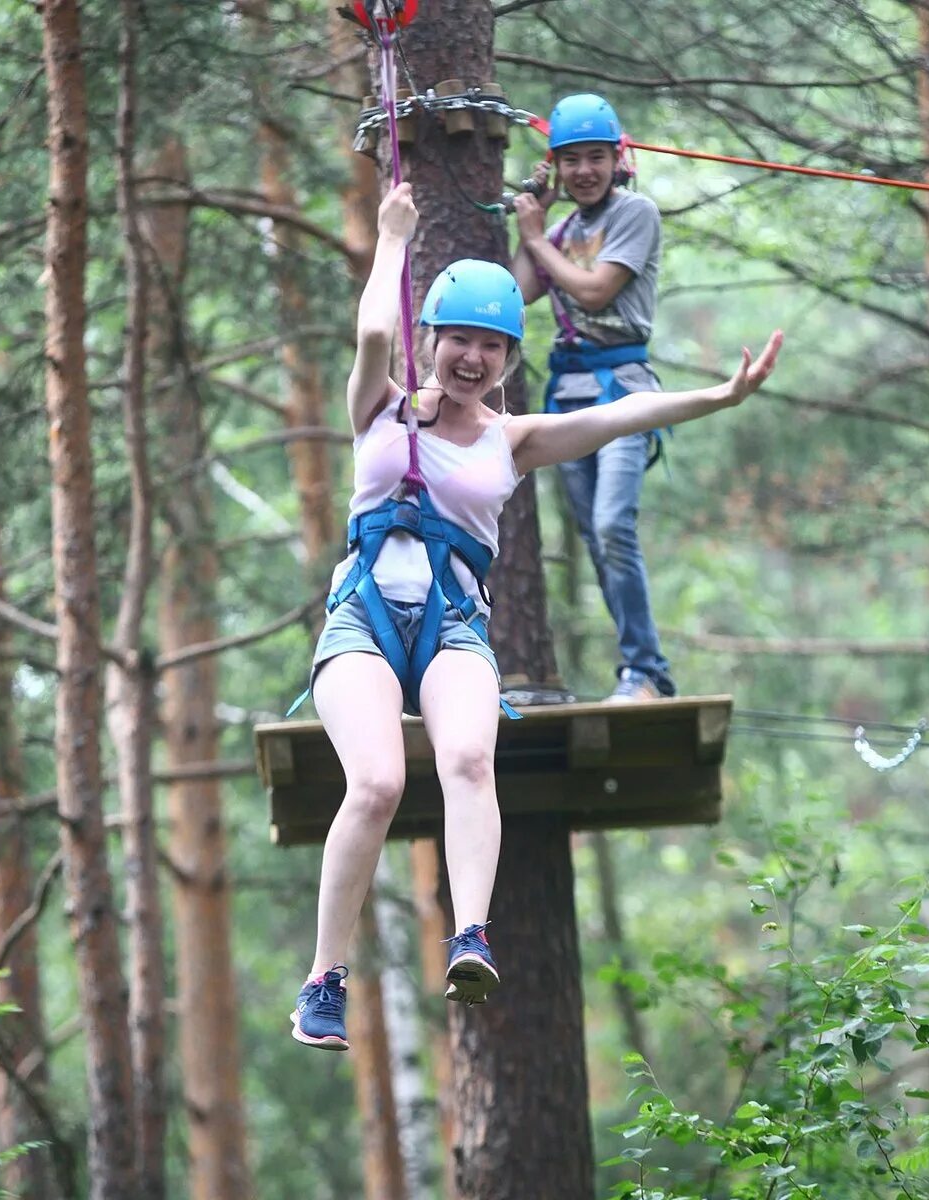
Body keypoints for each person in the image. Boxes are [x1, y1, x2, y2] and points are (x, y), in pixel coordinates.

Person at [290, 179, 781, 1050]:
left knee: (471, 759)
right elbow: (372, 331)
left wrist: (716, 397)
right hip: (362, 621)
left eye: (492, 346)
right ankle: (324, 982)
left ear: (511, 360)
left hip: (450, 626)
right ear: (432, 343)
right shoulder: (380, 409)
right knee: (376, 783)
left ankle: (471, 936)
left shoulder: (512, 440)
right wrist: (393, 236)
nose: (472, 359)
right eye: (458, 342)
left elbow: (620, 412)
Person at [511, 92, 675, 703]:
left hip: (622, 389)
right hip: (570, 392)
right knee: (594, 536)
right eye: (571, 159)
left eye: (595, 158)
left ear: (617, 158)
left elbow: (597, 290)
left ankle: (645, 671)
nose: (584, 170)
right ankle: (640, 668)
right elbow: (518, 292)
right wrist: (533, 226)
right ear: (557, 165)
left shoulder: (636, 213)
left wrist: (537, 237)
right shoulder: (559, 229)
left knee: (612, 526)